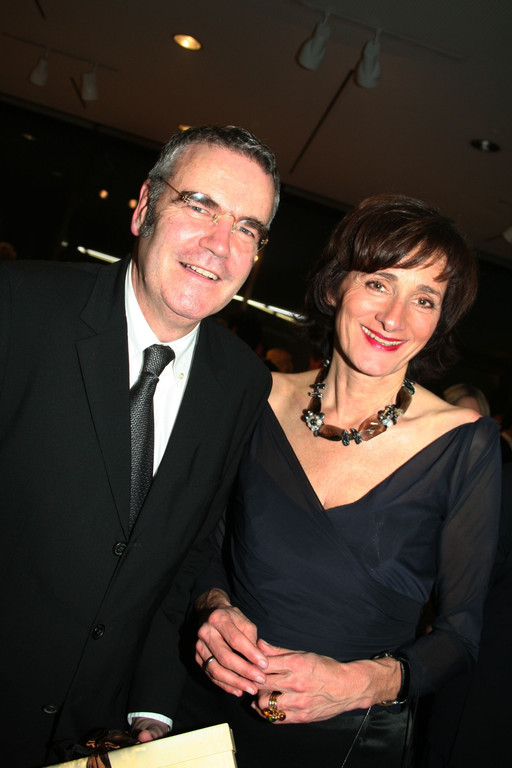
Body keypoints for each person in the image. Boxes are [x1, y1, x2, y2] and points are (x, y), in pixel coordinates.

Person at [174, 194, 502, 767]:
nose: (394, 318)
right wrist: (213, 606)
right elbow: (205, 548)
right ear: (334, 287)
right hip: (208, 719)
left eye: (424, 298)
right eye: (378, 283)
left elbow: (461, 636)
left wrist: (361, 684)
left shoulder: (464, 443)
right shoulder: (259, 398)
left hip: (351, 740)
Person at [0, 124, 280, 768]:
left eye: (247, 228)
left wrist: (150, 709)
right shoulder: (18, 308)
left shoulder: (243, 382)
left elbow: (182, 559)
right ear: (144, 207)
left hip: (97, 735)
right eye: (200, 205)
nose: (219, 244)